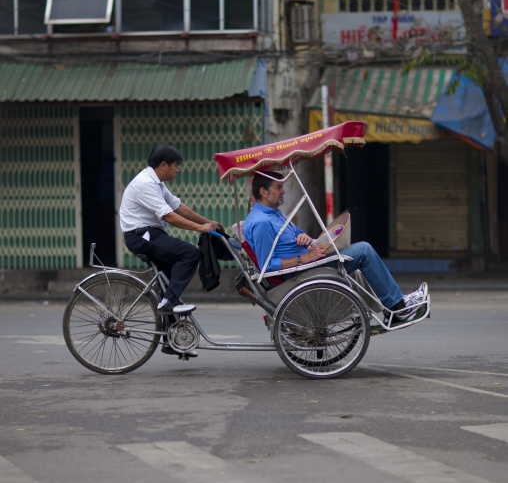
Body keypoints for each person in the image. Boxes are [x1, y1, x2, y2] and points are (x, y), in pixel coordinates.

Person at [243, 172, 427, 322]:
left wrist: (303, 238)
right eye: (278, 187)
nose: (283, 191)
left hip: (309, 261)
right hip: (300, 272)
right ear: (263, 192)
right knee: (364, 250)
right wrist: (305, 258)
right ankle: (397, 307)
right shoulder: (262, 222)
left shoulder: (273, 214)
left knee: (356, 263)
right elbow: (267, 265)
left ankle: (390, 308)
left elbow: (295, 236)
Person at [119, 143, 224, 357]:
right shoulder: (145, 183)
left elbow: (178, 207)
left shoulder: (157, 183)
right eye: (176, 165)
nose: (178, 169)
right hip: (142, 235)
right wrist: (199, 228)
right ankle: (168, 302)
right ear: (164, 164)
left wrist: (208, 222)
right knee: (189, 253)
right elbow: (168, 216)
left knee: (168, 283)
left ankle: (170, 340)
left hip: (152, 234)